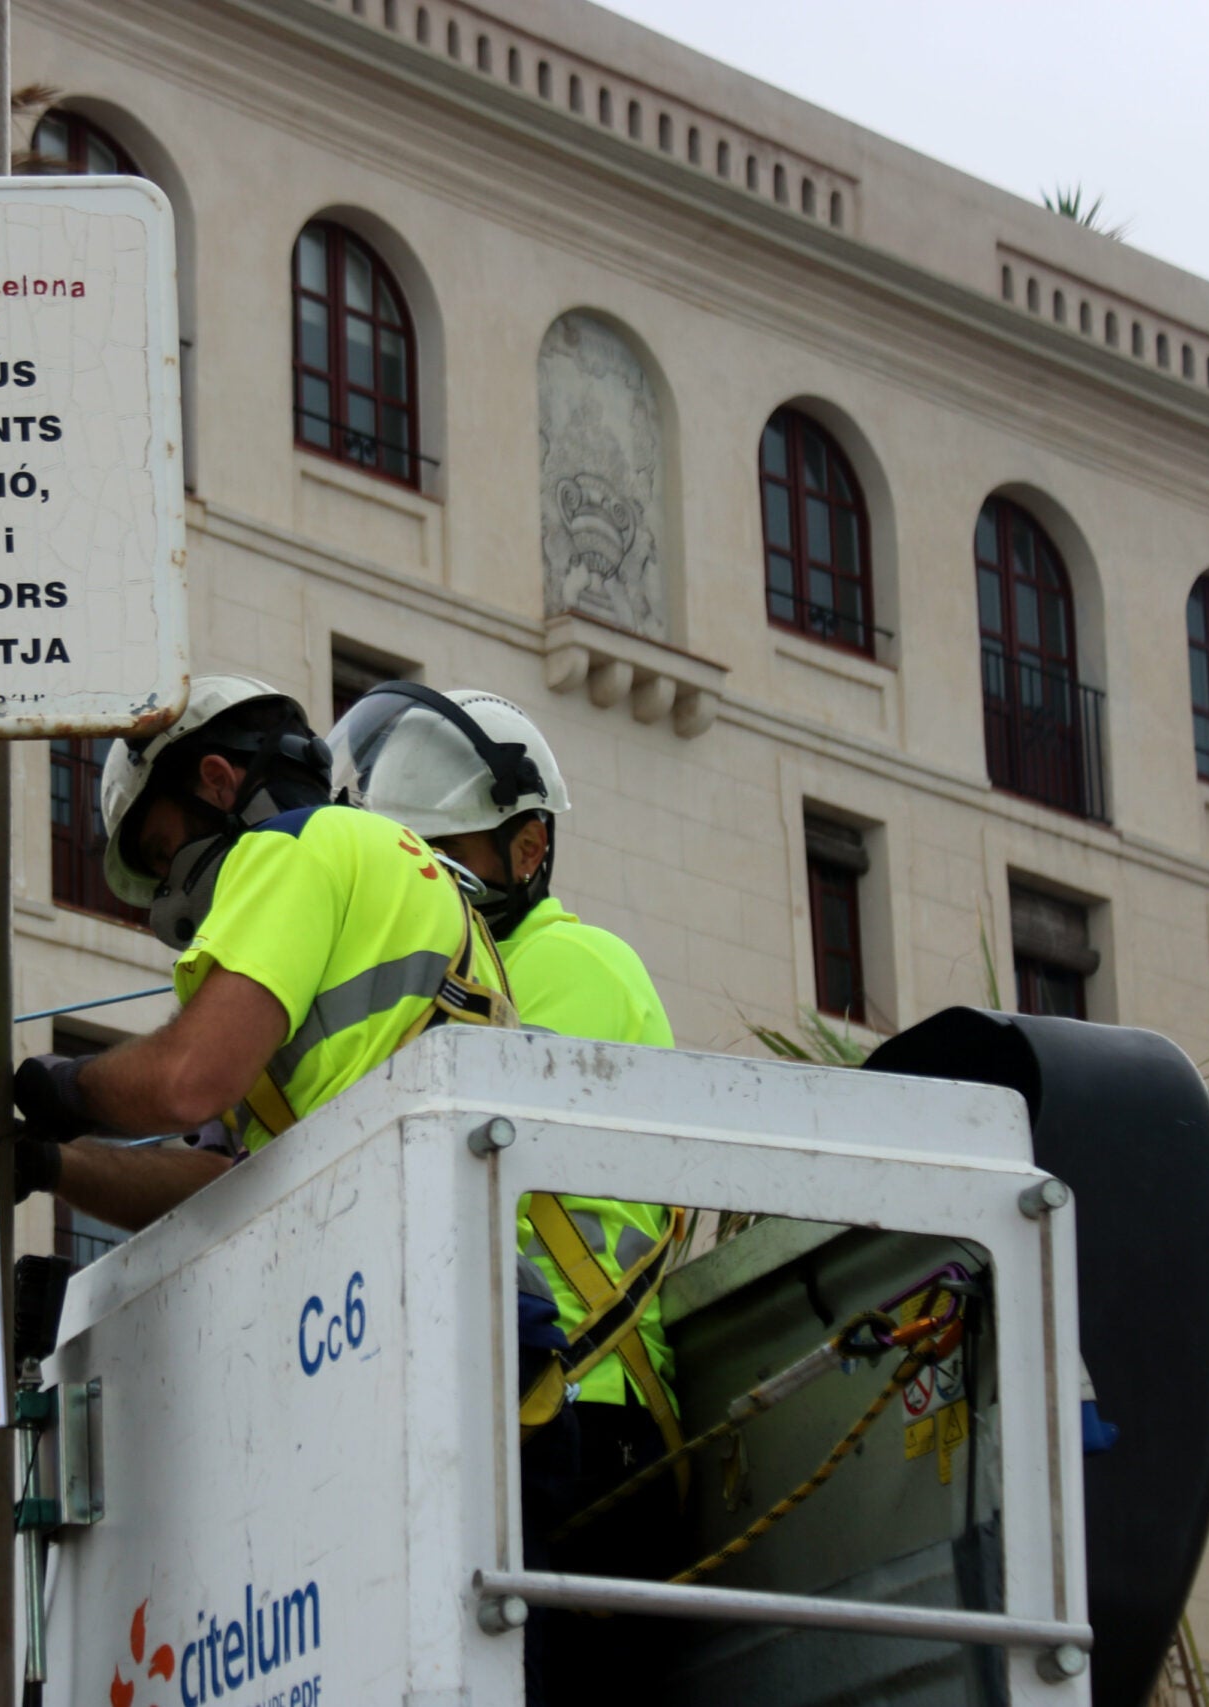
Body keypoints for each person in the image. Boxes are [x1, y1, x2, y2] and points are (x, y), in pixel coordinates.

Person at [326, 683, 683, 1697]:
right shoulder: (459, 965)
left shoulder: (562, 962)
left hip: (585, 1415)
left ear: (528, 851)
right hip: (518, 1403)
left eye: (446, 858)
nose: (427, 883)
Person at [10, 675, 514, 1228]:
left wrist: (71, 1091)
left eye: (163, 850)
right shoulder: (402, 879)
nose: (169, 886)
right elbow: (227, 1186)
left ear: (217, 782)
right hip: (431, 1240)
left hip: (411, 1245)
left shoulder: (291, 845)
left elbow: (188, 1079)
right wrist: (52, 1164)